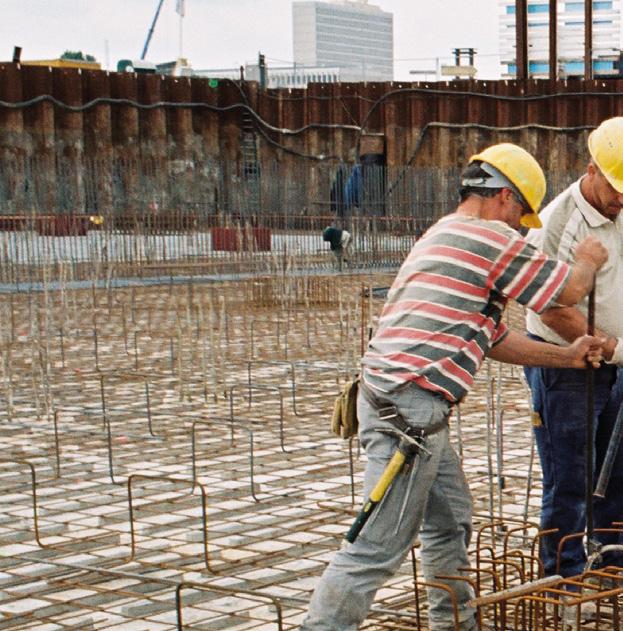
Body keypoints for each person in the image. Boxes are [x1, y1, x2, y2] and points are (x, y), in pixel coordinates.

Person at [300, 143, 608, 631]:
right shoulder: (487, 236)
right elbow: (568, 290)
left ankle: (455, 623)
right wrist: (588, 259)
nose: (518, 227)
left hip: (409, 407)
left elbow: (492, 337)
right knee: (376, 548)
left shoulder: (443, 234)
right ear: (505, 198)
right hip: (409, 414)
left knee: (449, 521)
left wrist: (566, 356)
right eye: (520, 216)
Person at [524, 116, 623, 580]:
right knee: (570, 478)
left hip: (617, 361)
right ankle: (561, 575)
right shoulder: (555, 223)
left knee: (615, 470)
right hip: (567, 366)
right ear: (591, 170)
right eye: (616, 187)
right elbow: (549, 308)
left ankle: (610, 560)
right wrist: (612, 346)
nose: (622, 198)